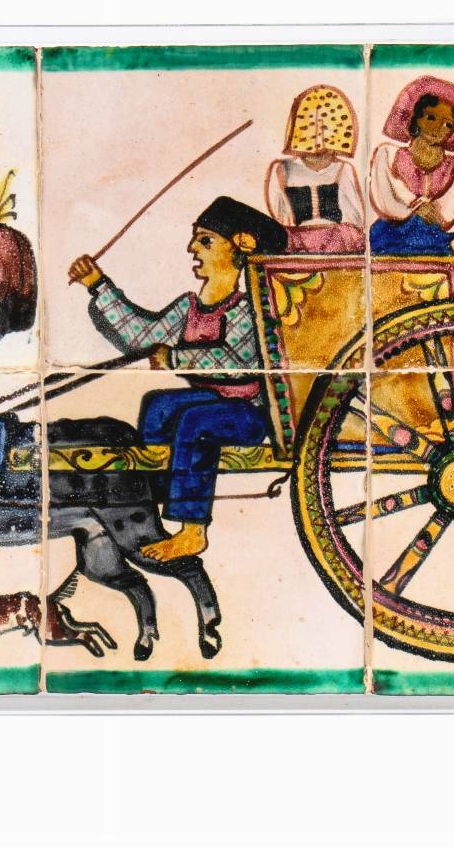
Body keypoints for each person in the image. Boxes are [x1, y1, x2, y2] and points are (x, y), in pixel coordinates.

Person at [66, 196, 287, 563]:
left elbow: (236, 363)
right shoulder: (190, 307)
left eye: (205, 240)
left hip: (251, 413)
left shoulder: (248, 309)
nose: (192, 248)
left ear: (241, 246)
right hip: (216, 403)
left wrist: (176, 357)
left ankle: (193, 531)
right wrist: (99, 286)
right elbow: (142, 337)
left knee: (196, 422)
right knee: (159, 406)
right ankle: (150, 504)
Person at [368, 76, 454, 254]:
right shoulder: (388, 154)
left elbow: (447, 214)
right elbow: (385, 200)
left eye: (448, 124)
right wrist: (415, 208)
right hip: (393, 232)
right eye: (431, 117)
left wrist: (432, 213)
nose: (439, 128)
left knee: (451, 244)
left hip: (433, 233)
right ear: (415, 118)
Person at [263, 85, 365, 252]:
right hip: (296, 244)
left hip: (338, 245)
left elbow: (355, 221)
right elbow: (280, 220)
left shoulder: (343, 169)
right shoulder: (282, 170)